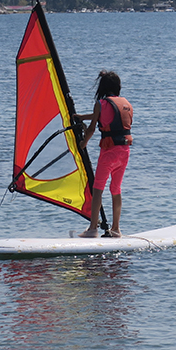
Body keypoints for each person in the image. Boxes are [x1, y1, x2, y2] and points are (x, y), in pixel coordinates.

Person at [76, 70, 133, 238]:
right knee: (116, 188)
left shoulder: (101, 103)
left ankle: (93, 228)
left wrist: (83, 143)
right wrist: (82, 117)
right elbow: (109, 119)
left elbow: (93, 128)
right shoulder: (126, 104)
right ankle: (116, 229)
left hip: (108, 152)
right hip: (124, 151)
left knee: (98, 188)